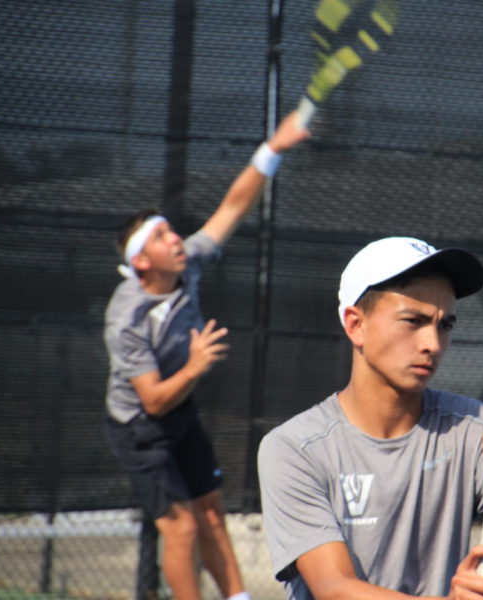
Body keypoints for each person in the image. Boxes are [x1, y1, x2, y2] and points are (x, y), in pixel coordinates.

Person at [257, 236, 483, 600]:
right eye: (413, 321)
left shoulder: (473, 427)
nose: (432, 344)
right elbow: (334, 589)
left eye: (445, 325)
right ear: (355, 324)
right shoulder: (293, 448)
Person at [103, 109, 310, 600]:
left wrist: (272, 150)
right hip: (140, 429)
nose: (175, 237)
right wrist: (195, 365)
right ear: (140, 261)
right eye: (160, 236)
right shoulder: (126, 316)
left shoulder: (188, 261)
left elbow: (232, 209)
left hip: (181, 414)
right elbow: (152, 401)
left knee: (212, 512)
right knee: (182, 530)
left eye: (171, 230)